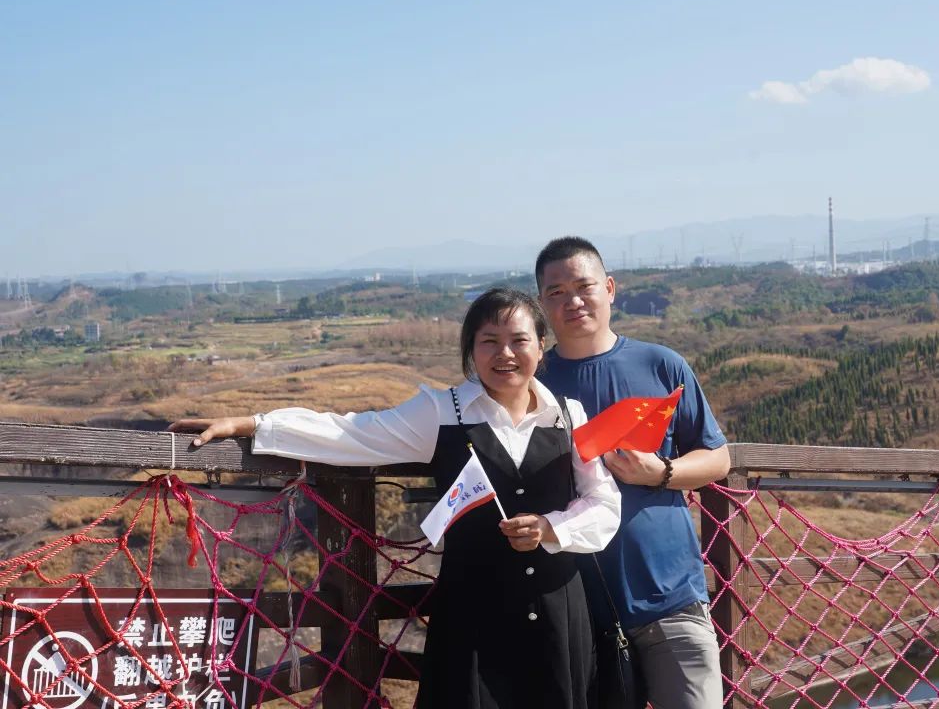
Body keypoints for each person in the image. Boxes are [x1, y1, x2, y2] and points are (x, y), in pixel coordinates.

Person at [168, 287, 621, 709]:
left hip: (558, 612)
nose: (505, 354)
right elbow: (350, 434)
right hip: (474, 612)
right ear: (471, 350)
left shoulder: (568, 416)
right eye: (489, 341)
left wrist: (551, 528)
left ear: (541, 346)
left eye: (519, 340)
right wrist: (253, 425)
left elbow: (603, 502)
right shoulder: (442, 412)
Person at [534, 237, 730, 709]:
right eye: (556, 292)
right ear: (541, 304)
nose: (573, 301)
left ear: (609, 288)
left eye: (583, 287)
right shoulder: (532, 384)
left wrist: (661, 472)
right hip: (577, 609)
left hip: (671, 597)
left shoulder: (661, 364)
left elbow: (717, 458)